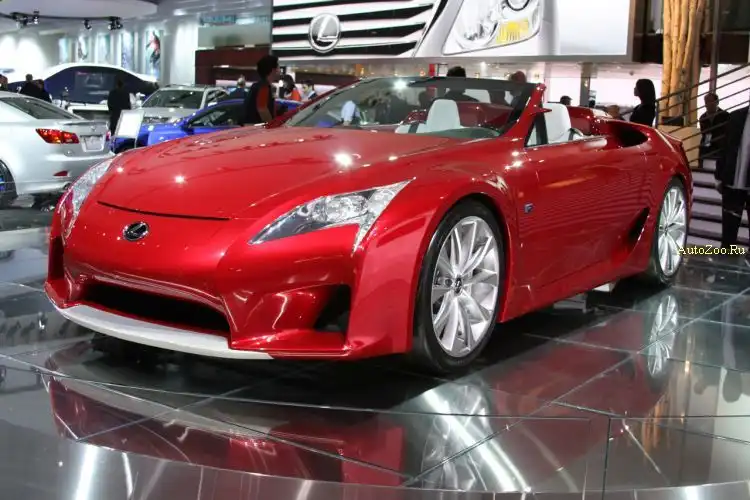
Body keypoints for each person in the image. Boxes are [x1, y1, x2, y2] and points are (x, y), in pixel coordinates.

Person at [716, 98, 750, 256]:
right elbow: (724, 148)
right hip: (732, 180)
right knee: (728, 232)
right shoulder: (735, 116)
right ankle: (726, 255)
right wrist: (719, 176)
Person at [242, 54, 280, 125]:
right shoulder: (264, 86)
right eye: (278, 67)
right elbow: (262, 109)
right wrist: (272, 125)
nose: (280, 70)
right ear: (273, 70)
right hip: (255, 128)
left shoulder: (259, 85)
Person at [699, 92, 730, 169]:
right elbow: (704, 134)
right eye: (706, 102)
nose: (708, 104)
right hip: (707, 147)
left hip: (721, 147)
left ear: (717, 102)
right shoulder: (703, 117)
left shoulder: (725, 115)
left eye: (711, 101)